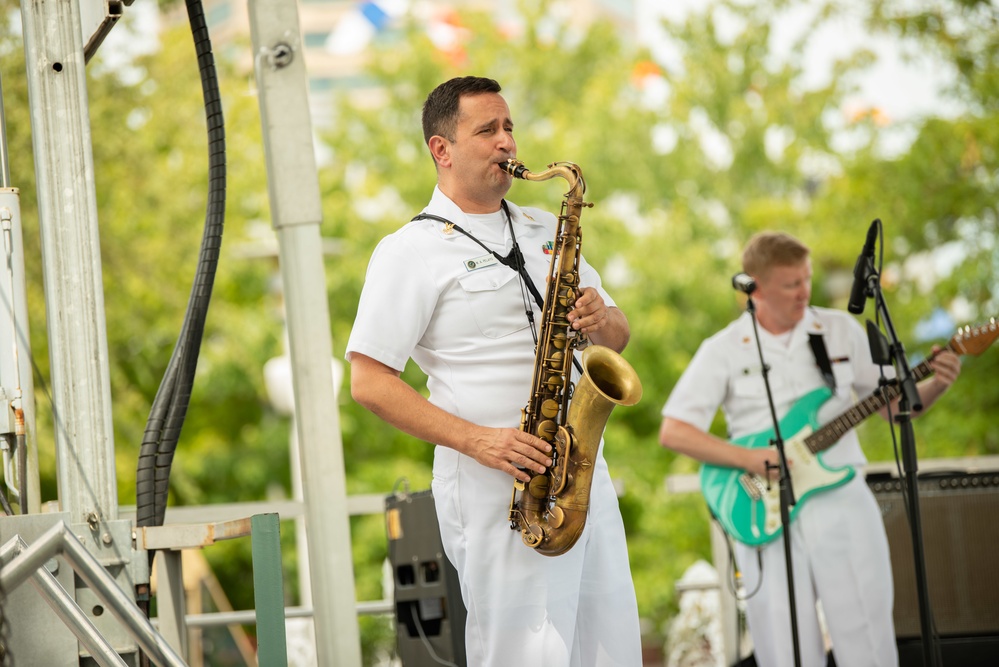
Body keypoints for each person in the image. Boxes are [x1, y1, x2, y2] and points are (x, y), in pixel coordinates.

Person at [346, 76, 642, 666]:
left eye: (509, 127)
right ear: (442, 149)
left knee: (611, 647)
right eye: (488, 130)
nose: (507, 141)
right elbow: (369, 381)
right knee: (524, 653)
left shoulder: (542, 227)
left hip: (579, 469)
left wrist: (600, 315)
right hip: (496, 484)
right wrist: (478, 441)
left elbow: (619, 336)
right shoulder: (408, 251)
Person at [658, 231, 962, 667]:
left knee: (867, 633)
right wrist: (749, 459)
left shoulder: (839, 329)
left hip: (841, 497)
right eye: (790, 284)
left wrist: (937, 383)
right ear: (754, 287)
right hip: (763, 504)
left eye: (807, 279)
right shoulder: (722, 349)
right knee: (783, 644)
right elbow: (675, 431)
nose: (804, 292)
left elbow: (895, 409)